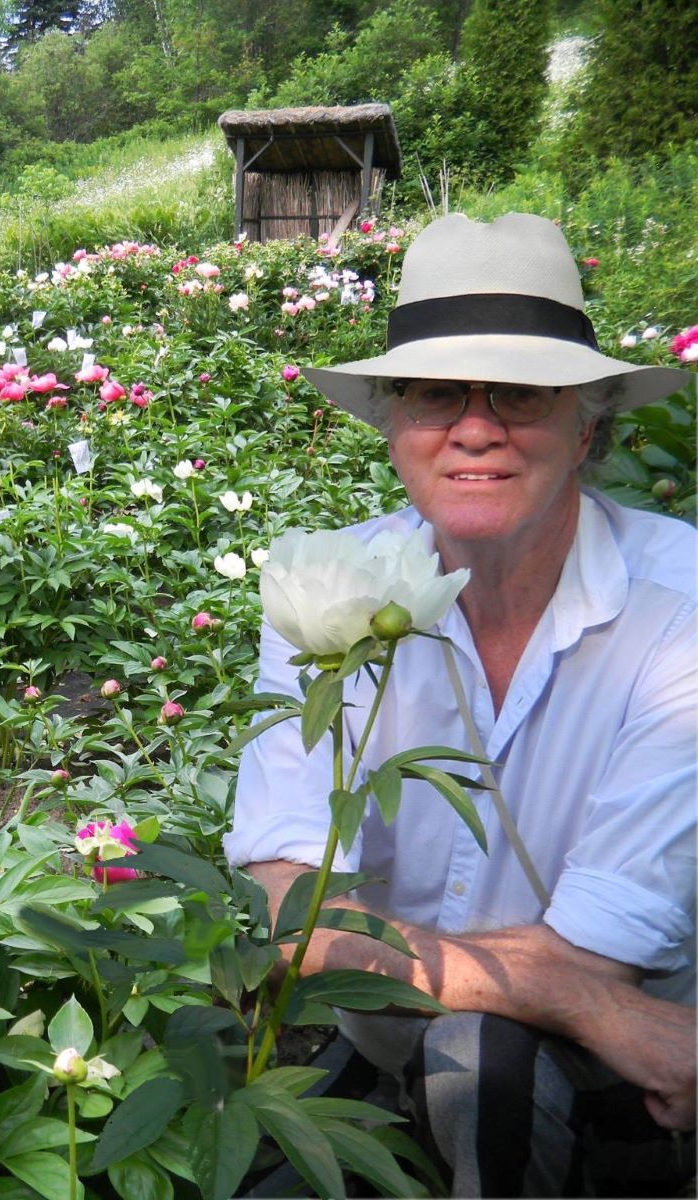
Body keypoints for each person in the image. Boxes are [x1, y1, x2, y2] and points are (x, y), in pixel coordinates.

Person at [226, 212, 696, 1197]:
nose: (474, 426)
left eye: (519, 393)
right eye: (437, 392)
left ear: (589, 424)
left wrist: (572, 996)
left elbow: (602, 955)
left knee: (484, 1062)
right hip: (386, 1043)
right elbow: (286, 909)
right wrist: (573, 990)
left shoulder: (681, 615)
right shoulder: (326, 586)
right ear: (393, 426)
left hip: (621, 1067)